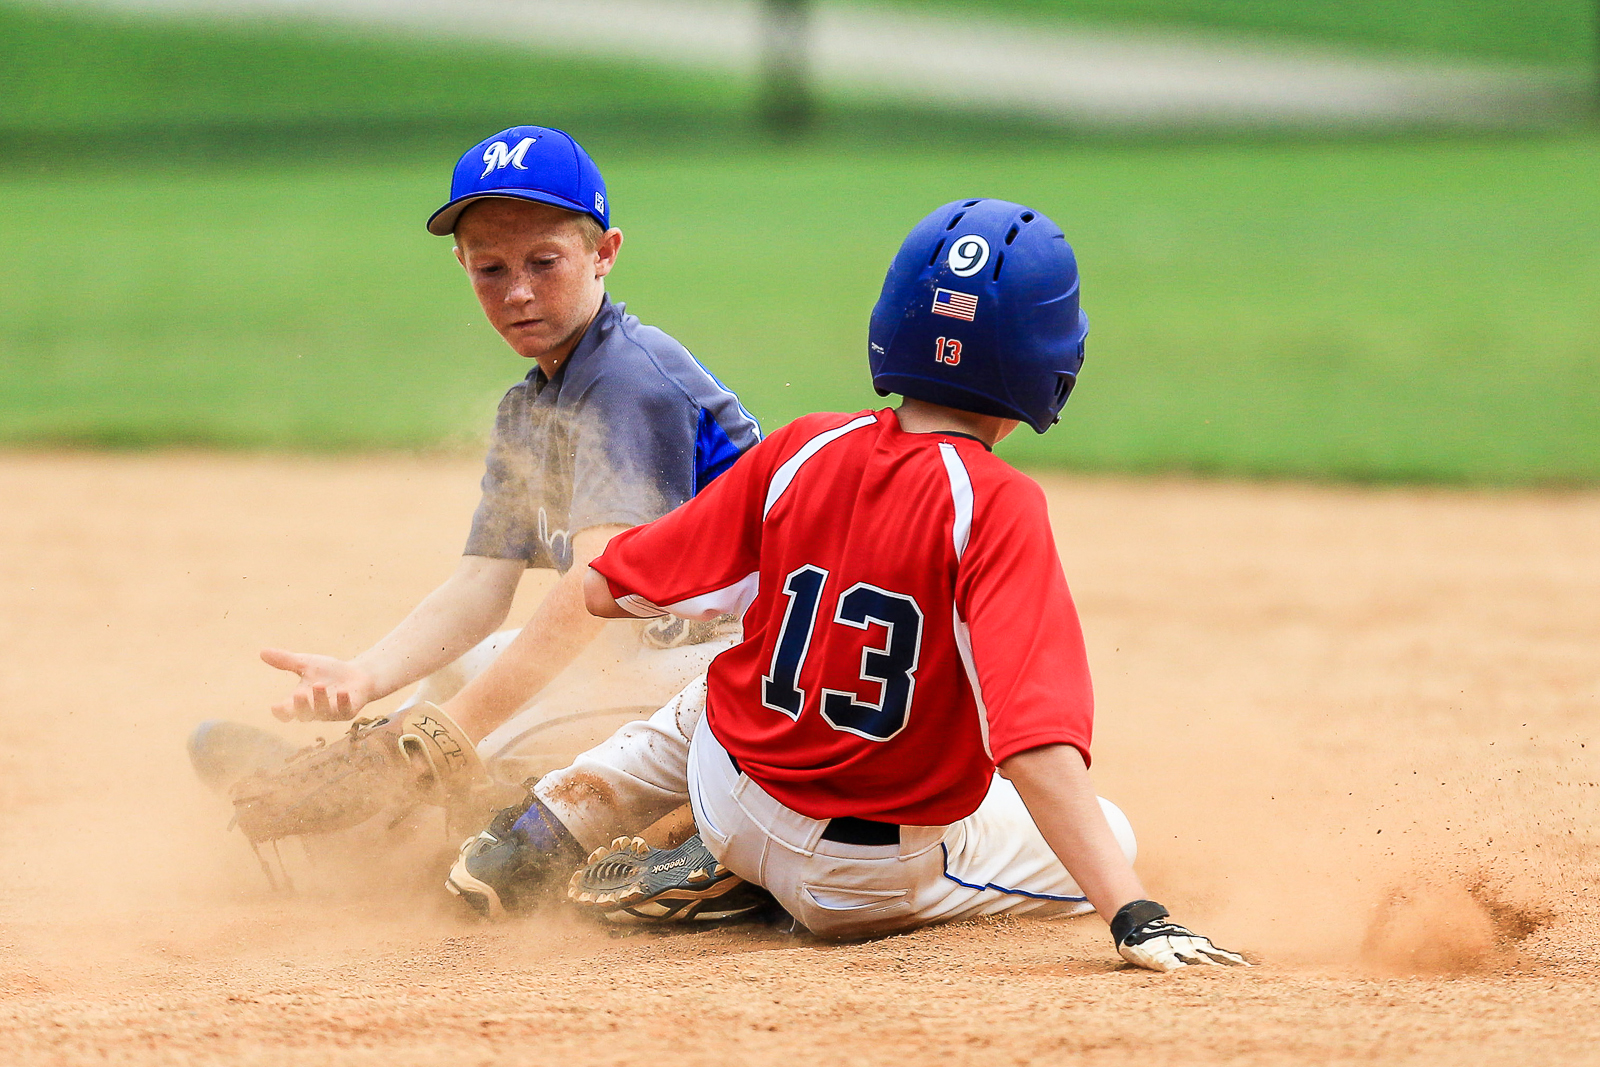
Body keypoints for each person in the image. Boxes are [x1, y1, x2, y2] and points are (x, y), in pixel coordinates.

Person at [443, 198, 1247, 971]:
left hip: (731, 795)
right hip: (855, 882)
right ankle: (749, 886)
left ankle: (545, 827)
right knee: (1114, 830)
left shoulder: (804, 448)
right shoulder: (998, 506)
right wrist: (1134, 912)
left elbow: (606, 588)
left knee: (712, 695)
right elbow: (1033, 746)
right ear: (1050, 359)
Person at [253, 125, 762, 788]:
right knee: (461, 671)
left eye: (544, 262)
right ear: (463, 265)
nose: (517, 291)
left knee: (499, 748)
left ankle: (385, 820)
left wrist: (448, 735)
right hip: (656, 653)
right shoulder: (531, 408)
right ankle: (363, 792)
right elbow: (479, 588)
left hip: (751, 664)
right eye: (492, 268)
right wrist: (367, 676)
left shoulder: (630, 381)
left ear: (605, 252)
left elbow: (590, 587)